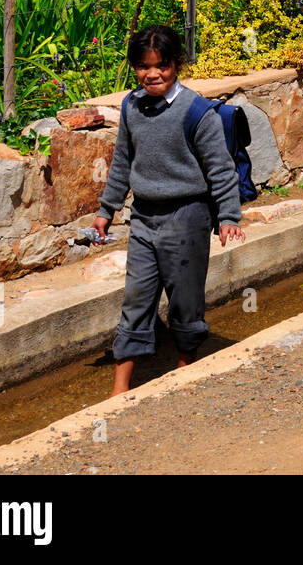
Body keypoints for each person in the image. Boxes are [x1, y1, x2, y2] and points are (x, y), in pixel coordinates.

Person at [94, 24, 245, 397]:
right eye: (144, 67)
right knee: (136, 298)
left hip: (188, 218)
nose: (153, 74)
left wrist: (227, 217)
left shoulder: (196, 112)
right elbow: (122, 162)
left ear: (176, 64)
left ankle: (183, 375)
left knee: (185, 300)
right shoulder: (131, 106)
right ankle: (119, 389)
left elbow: (220, 170)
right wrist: (106, 208)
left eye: (161, 65)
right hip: (144, 218)